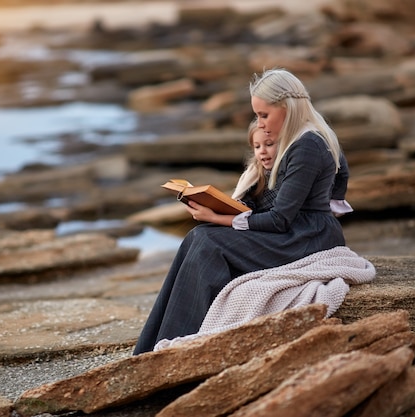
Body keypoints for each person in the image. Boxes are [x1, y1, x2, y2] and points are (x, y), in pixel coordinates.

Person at [133, 68, 352, 355]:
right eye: (257, 116)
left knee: (208, 243)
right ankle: (153, 344)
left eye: (264, 115)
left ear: (287, 108)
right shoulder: (300, 139)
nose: (260, 123)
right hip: (298, 230)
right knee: (198, 237)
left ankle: (178, 347)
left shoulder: (308, 144)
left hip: (305, 237)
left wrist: (218, 217)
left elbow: (279, 219)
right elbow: (339, 182)